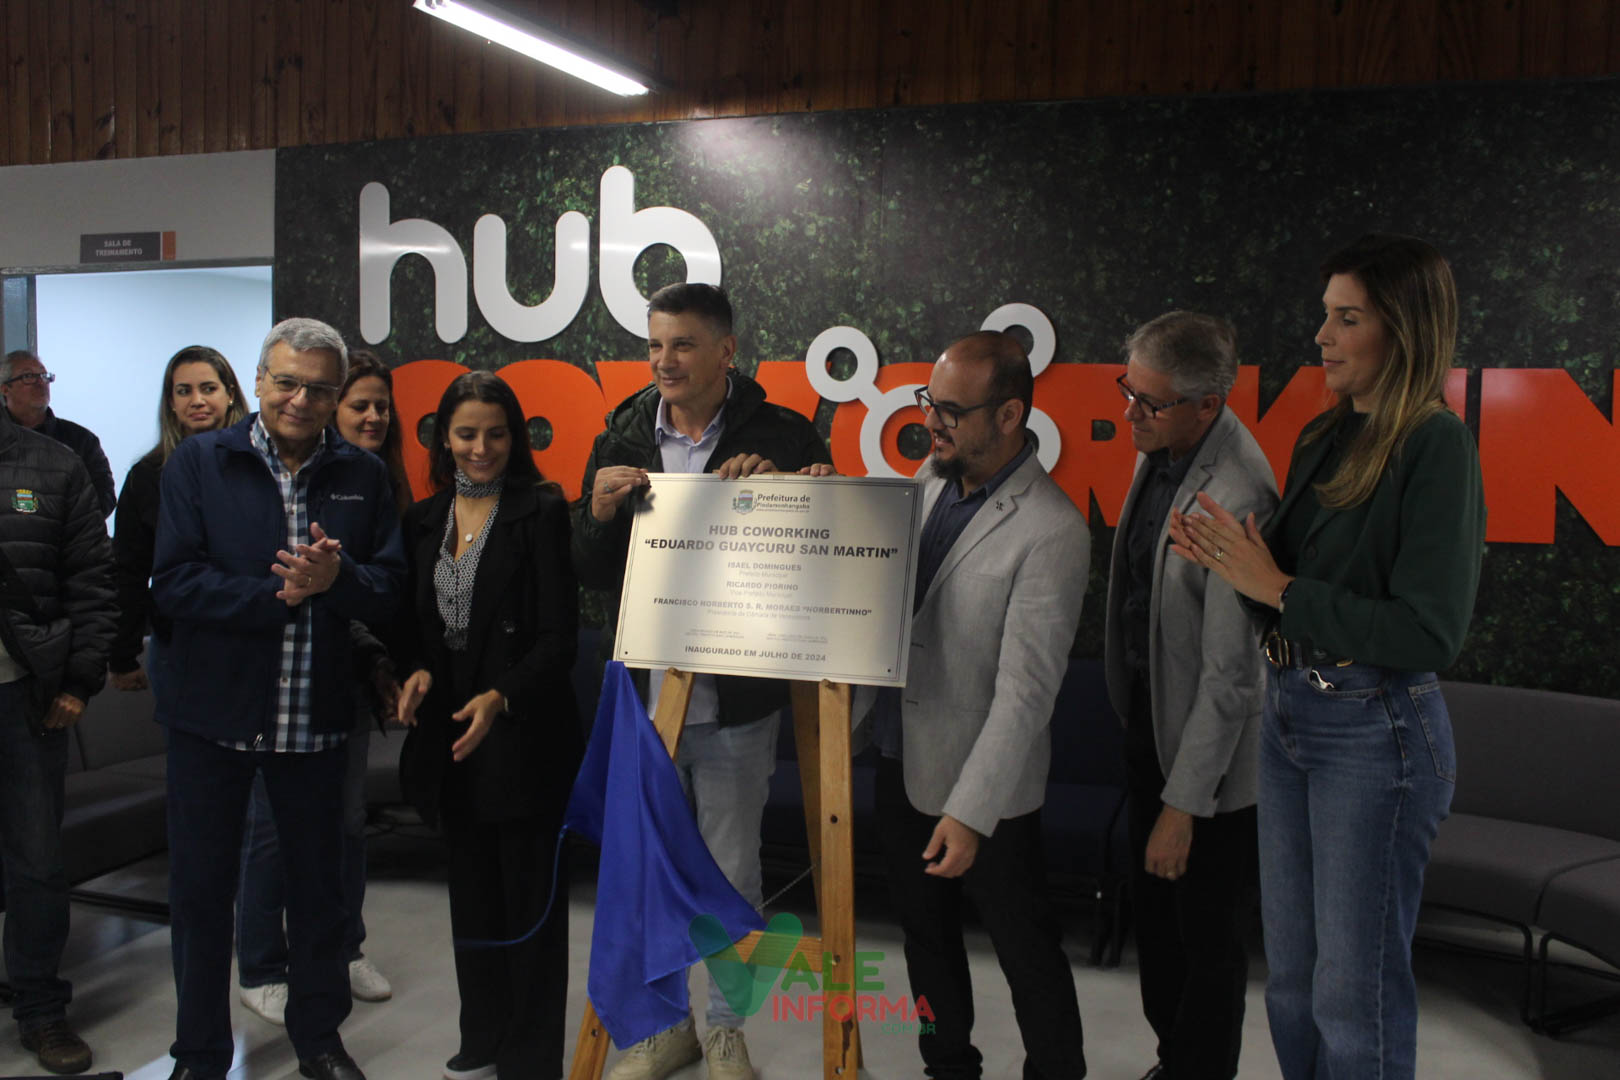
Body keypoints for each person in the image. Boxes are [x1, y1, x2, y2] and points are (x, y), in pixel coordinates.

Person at [1169, 234, 1486, 1080]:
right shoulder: (1327, 433)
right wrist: (1232, 564)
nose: (1322, 336)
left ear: (1404, 330)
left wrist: (1274, 586)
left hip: (1376, 734)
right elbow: (1283, 590)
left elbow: (1429, 632)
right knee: (1292, 985)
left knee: (1353, 997)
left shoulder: (1437, 444)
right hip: (1290, 716)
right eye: (1326, 316)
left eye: (1348, 319)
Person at [576, 282, 832, 1080]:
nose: (664, 361)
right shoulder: (621, 431)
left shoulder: (783, 432)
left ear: (726, 351)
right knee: (647, 873)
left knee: (731, 873)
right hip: (644, 699)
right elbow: (588, 570)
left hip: (737, 700)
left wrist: (784, 491)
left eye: (682, 345)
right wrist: (597, 516)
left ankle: (727, 1031)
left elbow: (816, 558)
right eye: (655, 345)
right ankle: (665, 1029)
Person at [150, 317, 406, 1080]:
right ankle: (199, 1054)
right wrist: (280, 595)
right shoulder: (199, 463)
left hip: (316, 726)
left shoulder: (364, 475)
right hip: (211, 723)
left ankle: (319, 1042)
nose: (301, 400)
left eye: (319, 389)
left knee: (320, 900)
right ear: (258, 381)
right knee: (201, 900)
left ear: (337, 394)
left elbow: (390, 590)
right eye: (287, 382)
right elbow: (174, 582)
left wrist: (339, 580)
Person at [870, 330, 1089, 1079]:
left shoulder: (1051, 529)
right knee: (924, 941)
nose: (931, 423)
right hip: (899, 758)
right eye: (928, 402)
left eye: (951, 411)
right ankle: (948, 1066)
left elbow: (1027, 693)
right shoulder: (930, 479)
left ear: (1009, 415)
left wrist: (969, 813)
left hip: (985, 791)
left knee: (1026, 950)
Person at [1101, 312, 1277, 1080]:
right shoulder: (1166, 449)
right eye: (1128, 390)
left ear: (1208, 403)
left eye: (1150, 402)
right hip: (1151, 729)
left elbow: (1231, 677)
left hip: (1208, 772)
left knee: (1205, 945)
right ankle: (1172, 1062)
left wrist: (1183, 807)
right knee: (1159, 933)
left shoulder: (1237, 493)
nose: (1130, 413)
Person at [394, 371, 580, 1080]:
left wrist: (501, 695)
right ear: (444, 437)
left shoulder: (541, 510)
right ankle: (483, 1034)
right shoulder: (421, 519)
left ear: (515, 437)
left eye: (495, 434)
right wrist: (414, 669)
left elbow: (559, 641)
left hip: (522, 736)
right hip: (450, 737)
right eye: (467, 434)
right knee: (471, 896)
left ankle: (529, 1057)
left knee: (529, 905)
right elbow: (413, 628)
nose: (481, 448)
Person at [234, 351, 407, 1025]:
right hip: (274, 684)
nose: (372, 416)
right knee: (271, 830)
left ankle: (344, 946)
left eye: (381, 406)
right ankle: (260, 964)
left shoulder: (377, 479)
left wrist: (381, 660)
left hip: (345, 682)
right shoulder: (289, 479)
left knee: (347, 824)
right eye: (359, 404)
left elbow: (386, 588)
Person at [0, 403, 116, 1075]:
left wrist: (79, 680)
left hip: (24, 696)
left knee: (37, 861)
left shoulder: (53, 464)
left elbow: (91, 582)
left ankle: (41, 1010)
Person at [109, 346, 247, 691]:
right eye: (184, 391)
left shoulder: (260, 467)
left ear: (230, 394)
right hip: (179, 642)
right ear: (171, 402)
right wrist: (123, 654)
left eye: (208, 388)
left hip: (255, 634)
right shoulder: (146, 477)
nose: (197, 400)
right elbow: (129, 570)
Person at [2, 350, 117, 516]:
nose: (40, 383)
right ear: (5, 388)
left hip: (63, 531)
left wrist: (56, 520)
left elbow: (104, 498)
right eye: (28, 376)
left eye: (44, 376)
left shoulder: (81, 440)